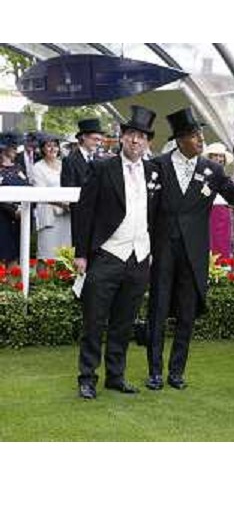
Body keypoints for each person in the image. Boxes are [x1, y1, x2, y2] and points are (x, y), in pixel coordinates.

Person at [145, 107, 234, 391]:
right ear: (179, 140)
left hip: (194, 252)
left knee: (187, 313)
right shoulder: (158, 166)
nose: (200, 140)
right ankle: (154, 372)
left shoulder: (212, 170)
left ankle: (176, 372)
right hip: (162, 249)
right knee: (158, 310)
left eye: (200, 134)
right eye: (194, 135)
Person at [73, 106, 159, 400]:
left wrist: (152, 251)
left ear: (148, 142)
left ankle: (115, 376)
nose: (136, 141)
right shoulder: (101, 168)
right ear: (122, 138)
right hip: (107, 255)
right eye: (132, 135)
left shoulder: (154, 171)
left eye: (142, 137)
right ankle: (87, 377)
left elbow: (158, 215)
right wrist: (81, 254)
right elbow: (83, 212)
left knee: (123, 322)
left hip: (139, 258)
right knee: (94, 321)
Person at [61, 117, 105, 238]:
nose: (98, 143)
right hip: (79, 218)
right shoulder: (70, 161)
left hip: (99, 218)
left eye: (100, 140)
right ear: (84, 137)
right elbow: (68, 189)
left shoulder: (100, 160)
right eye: (95, 139)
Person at [31, 133, 71, 259]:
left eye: (55, 146)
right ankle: (42, 279)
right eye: (49, 146)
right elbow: (40, 193)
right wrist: (62, 204)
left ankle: (63, 279)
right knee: (47, 254)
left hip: (66, 215)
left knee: (65, 254)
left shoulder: (64, 164)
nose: (53, 149)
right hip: (48, 215)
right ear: (42, 148)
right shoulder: (38, 167)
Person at [0, 132, 30, 265]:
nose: (16, 150)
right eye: (13, 147)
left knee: (17, 255)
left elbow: (28, 188)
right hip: (3, 218)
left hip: (20, 218)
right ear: (4, 149)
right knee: (5, 253)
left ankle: (13, 286)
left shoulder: (18, 167)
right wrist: (14, 210)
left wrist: (22, 209)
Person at [202, 142, 234, 261]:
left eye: (221, 156)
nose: (219, 159)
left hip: (224, 215)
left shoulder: (227, 178)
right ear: (210, 157)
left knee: (223, 247)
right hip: (208, 215)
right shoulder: (204, 176)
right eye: (216, 155)